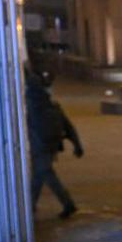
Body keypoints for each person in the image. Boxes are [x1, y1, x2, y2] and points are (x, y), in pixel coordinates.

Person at [25, 72, 82, 218]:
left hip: (39, 146)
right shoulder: (49, 102)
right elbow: (67, 125)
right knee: (39, 175)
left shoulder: (29, 104)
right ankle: (30, 206)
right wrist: (76, 144)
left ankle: (68, 204)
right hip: (51, 145)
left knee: (46, 174)